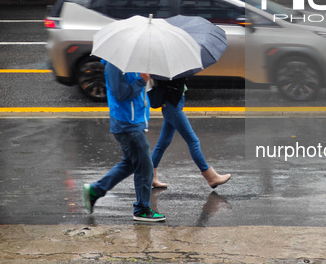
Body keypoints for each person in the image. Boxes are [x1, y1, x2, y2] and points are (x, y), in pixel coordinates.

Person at [83, 60, 166, 222]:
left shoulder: (133, 62)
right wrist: (141, 81)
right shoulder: (115, 65)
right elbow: (121, 93)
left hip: (135, 121)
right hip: (127, 124)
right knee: (145, 167)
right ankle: (142, 209)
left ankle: (95, 190)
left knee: (130, 163)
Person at [151, 78, 231, 189]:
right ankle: (211, 177)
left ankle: (150, 176)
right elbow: (167, 84)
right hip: (172, 107)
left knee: (163, 143)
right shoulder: (168, 71)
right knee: (193, 141)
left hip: (173, 106)